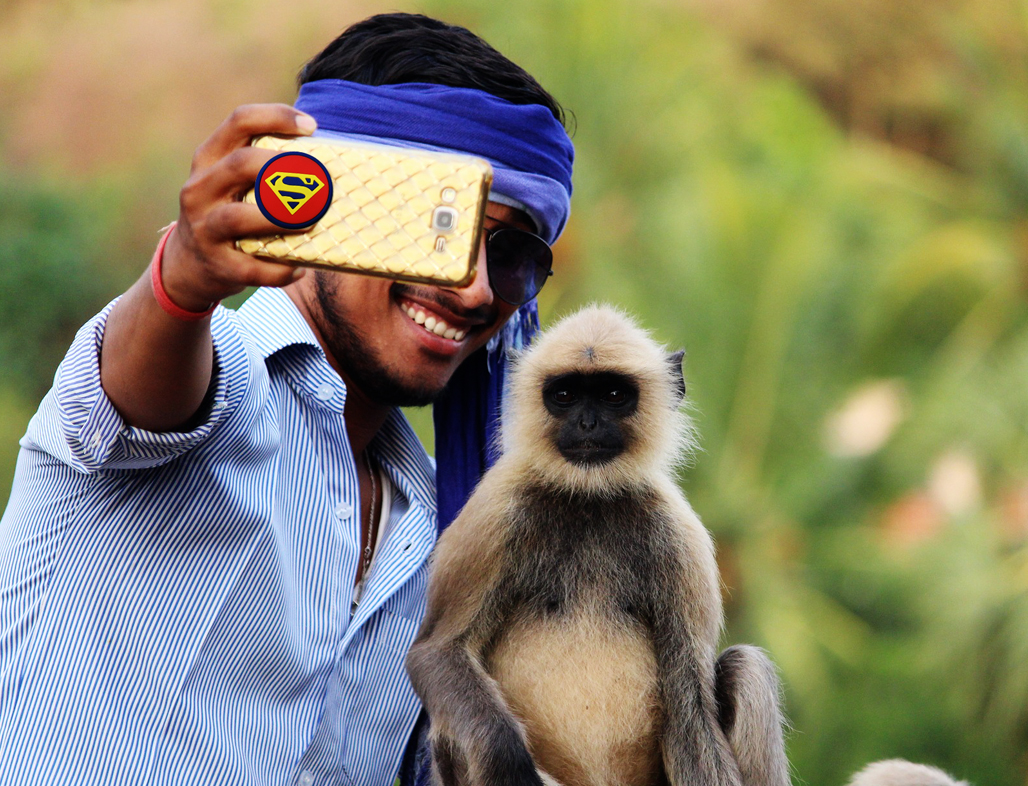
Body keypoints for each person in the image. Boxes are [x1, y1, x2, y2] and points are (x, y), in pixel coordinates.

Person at [0, 12, 574, 785]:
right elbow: (146, 397)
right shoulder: (211, 375)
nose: (473, 289)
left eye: (510, 255)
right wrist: (182, 282)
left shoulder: (444, 525)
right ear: (328, 203)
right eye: (440, 229)